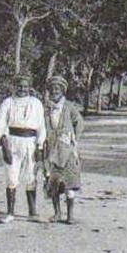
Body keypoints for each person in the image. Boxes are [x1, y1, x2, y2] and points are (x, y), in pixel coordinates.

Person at [0, 73, 47, 223]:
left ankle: (32, 212)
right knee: (11, 176)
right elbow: (0, 124)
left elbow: (41, 126)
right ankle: (10, 212)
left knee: (31, 176)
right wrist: (4, 145)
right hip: (13, 141)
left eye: (25, 86)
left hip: (31, 141)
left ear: (30, 87)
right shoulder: (8, 102)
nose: (22, 89)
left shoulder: (36, 103)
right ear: (14, 86)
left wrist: (40, 145)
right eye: (19, 86)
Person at [42, 75, 85, 224]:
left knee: (69, 183)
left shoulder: (69, 107)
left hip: (67, 150)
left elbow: (79, 123)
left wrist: (74, 138)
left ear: (62, 91)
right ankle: (57, 213)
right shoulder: (46, 108)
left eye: (57, 89)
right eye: (52, 89)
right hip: (51, 150)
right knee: (53, 183)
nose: (55, 91)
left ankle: (70, 215)